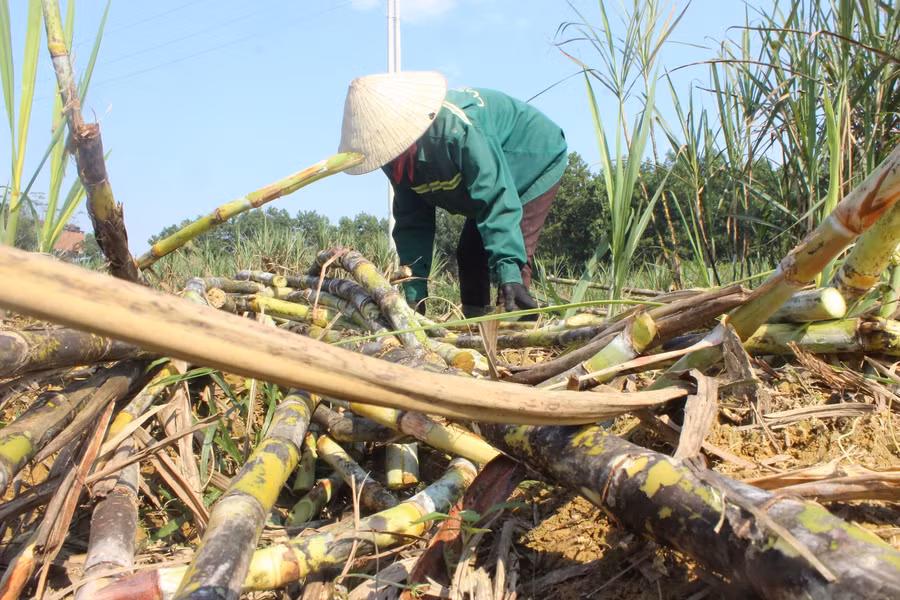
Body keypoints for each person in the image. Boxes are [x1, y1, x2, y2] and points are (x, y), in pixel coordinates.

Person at [338, 71, 567, 318]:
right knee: (469, 252)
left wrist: (509, 273)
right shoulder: (392, 157)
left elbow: (495, 199)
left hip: (531, 158)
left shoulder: (456, 132)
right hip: (488, 179)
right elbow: (413, 224)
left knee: (511, 269)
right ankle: (474, 329)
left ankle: (516, 332)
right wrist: (415, 298)